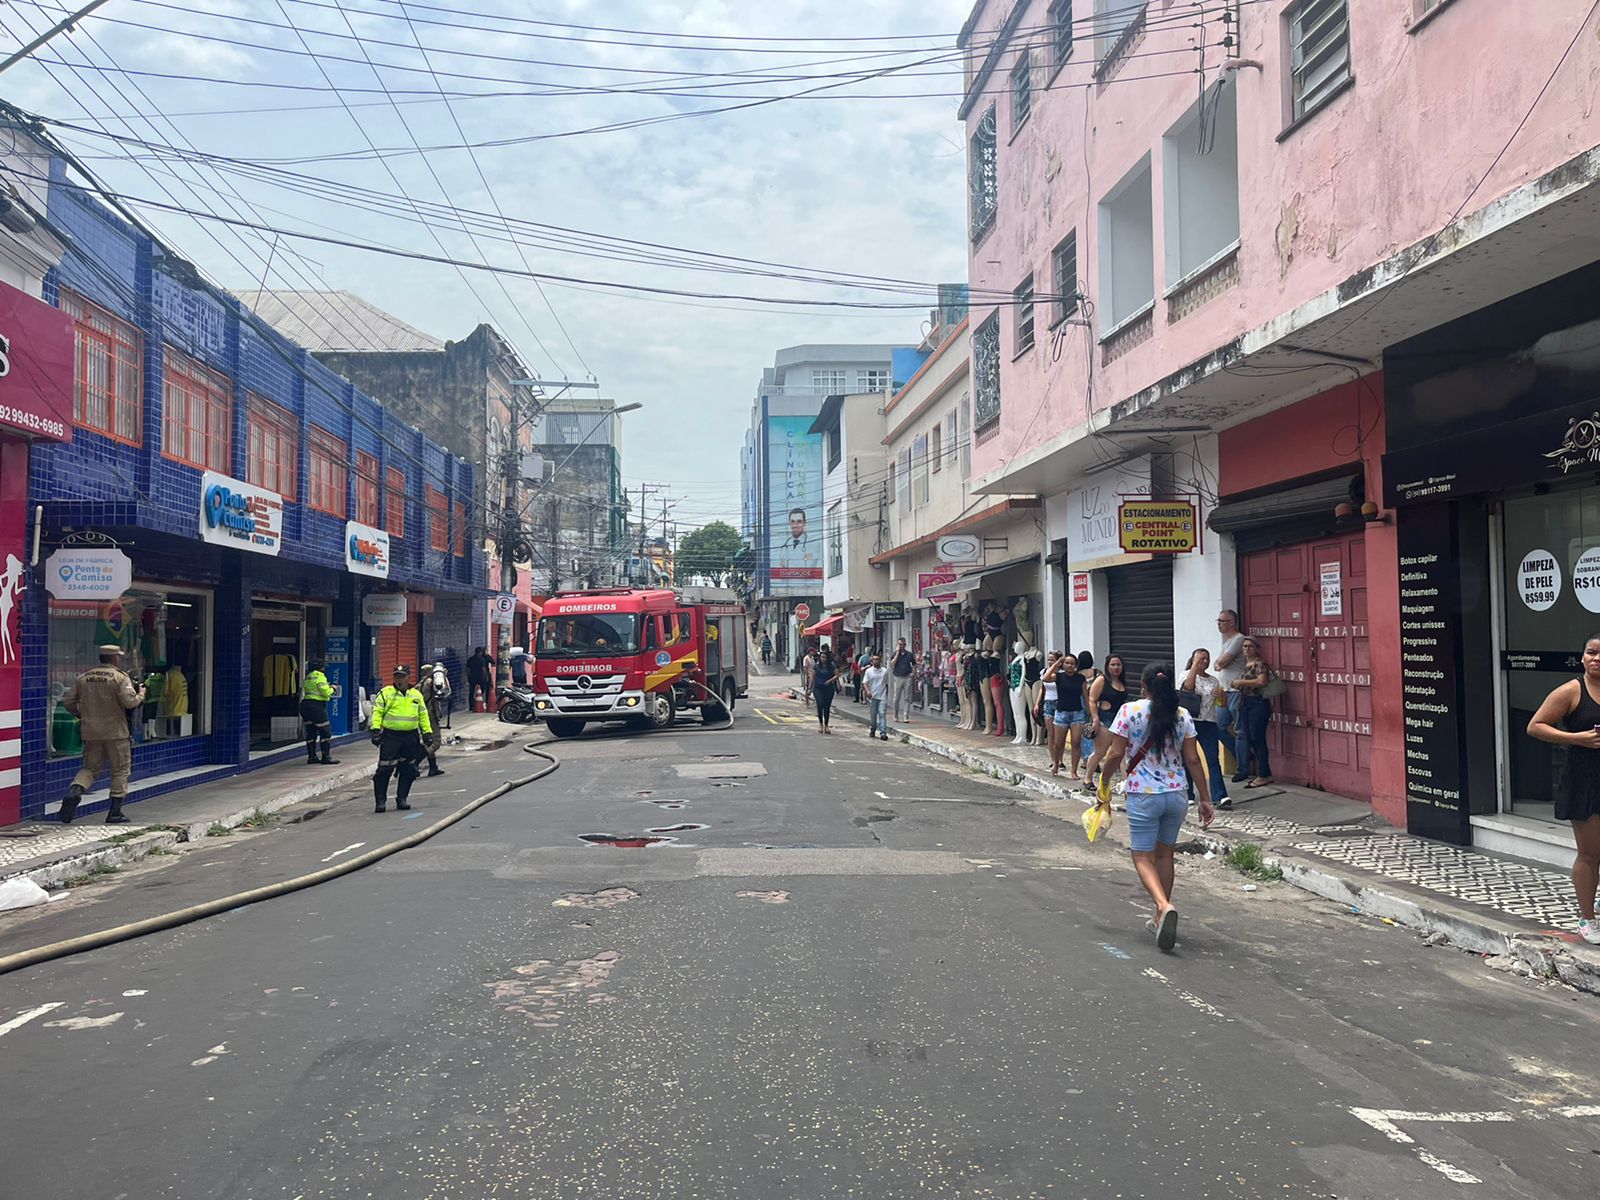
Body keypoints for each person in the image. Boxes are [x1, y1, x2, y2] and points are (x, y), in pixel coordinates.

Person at [1101, 662, 1216, 951]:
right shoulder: (1183, 716)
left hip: (1144, 794)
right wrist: (1205, 798)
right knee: (1165, 855)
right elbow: (1192, 760)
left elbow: (1115, 753)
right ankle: (1158, 916)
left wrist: (1103, 783)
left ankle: (1163, 907)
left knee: (1142, 857)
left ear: (1144, 686)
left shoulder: (1129, 711)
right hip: (1177, 794)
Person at [1529, 635, 1600, 945]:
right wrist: (1578, 739)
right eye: (1591, 652)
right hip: (1584, 781)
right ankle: (1588, 919)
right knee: (1590, 854)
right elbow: (1536, 726)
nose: (1596, 658)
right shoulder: (1572, 690)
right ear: (1582, 658)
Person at [58, 644, 145, 824]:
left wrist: (82, 715)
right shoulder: (120, 678)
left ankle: (75, 790)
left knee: (90, 768)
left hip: (91, 731)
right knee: (120, 769)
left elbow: (68, 701)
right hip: (116, 733)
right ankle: (115, 812)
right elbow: (130, 703)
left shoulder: (84, 677)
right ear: (115, 659)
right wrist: (141, 694)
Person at [370, 664, 433, 813]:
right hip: (391, 737)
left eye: (402, 677)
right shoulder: (386, 693)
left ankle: (402, 799)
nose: (399, 680)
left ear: (408, 677)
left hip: (410, 737)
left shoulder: (416, 695)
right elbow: (377, 712)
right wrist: (375, 730)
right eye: (396, 676)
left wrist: (427, 732)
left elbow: (423, 715)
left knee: (409, 769)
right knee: (384, 769)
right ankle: (380, 801)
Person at [1181, 648, 1229, 809]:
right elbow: (1188, 688)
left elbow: (1221, 704)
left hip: (1209, 722)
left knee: (1212, 759)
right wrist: (1194, 666)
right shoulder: (1185, 674)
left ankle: (1220, 795)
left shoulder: (1213, 680)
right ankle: (1188, 794)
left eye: (1207, 659)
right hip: (1190, 721)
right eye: (1201, 659)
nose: (1205, 662)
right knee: (1189, 758)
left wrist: (1221, 696)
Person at [1231, 637, 1275, 788]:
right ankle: (1265, 772)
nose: (1246, 649)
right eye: (1244, 646)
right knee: (1250, 737)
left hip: (1258, 702)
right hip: (1246, 703)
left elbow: (1262, 681)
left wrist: (1240, 682)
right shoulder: (1246, 664)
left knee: (1258, 739)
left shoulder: (1259, 663)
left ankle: (1262, 774)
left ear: (1256, 648)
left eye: (1250, 646)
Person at [1083, 654, 1130, 793]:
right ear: (1107, 666)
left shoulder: (1122, 682)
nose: (1116, 668)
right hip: (1105, 720)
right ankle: (1088, 778)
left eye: (1118, 665)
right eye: (1113, 665)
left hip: (1120, 720)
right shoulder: (1102, 680)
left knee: (1122, 753)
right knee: (1100, 752)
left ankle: (1125, 781)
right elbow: (1092, 700)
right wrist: (1095, 719)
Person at [1047, 652, 1089, 777]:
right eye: (1067, 663)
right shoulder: (1059, 677)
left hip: (1077, 713)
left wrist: (1090, 713)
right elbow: (1045, 678)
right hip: (1061, 713)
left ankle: (1074, 771)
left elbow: (1085, 696)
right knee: (1058, 743)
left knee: (1076, 742)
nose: (1069, 666)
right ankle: (1056, 763)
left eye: (1072, 664)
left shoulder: (1080, 678)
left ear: (1076, 665)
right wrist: (1056, 664)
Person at [300, 659, 340, 767]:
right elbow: (326, 692)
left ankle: (312, 757)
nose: (324, 668)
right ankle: (326, 757)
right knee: (326, 732)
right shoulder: (320, 676)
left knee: (311, 731)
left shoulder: (308, 676)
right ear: (320, 667)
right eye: (323, 667)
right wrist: (333, 688)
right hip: (316, 706)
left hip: (305, 705)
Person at [1213, 610, 1246, 739]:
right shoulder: (1227, 641)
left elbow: (1222, 662)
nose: (1219, 624)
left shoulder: (1239, 639)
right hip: (1223, 690)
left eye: (1222, 621)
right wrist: (1219, 664)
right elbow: (1216, 664)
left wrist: (1220, 664)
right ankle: (1237, 752)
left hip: (1235, 691)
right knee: (1219, 726)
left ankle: (1244, 758)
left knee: (1240, 730)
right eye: (1218, 621)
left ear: (1232, 622)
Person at [419, 662, 449, 778]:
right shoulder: (431, 683)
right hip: (429, 715)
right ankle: (415, 762)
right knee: (436, 742)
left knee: (428, 742)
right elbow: (446, 693)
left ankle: (433, 767)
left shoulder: (421, 683)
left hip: (422, 715)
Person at [863, 652, 890, 741]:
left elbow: (886, 684)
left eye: (877, 659)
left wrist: (886, 694)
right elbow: (865, 682)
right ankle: (873, 729)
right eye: (873, 660)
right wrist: (868, 692)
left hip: (882, 695)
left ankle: (883, 732)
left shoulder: (885, 671)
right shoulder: (869, 671)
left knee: (882, 713)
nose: (875, 661)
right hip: (872, 696)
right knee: (873, 715)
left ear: (880, 660)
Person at [812, 648, 838, 734]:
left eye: (825, 657)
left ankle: (826, 725)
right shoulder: (816, 666)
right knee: (820, 704)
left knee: (827, 707)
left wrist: (830, 681)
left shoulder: (831, 665)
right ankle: (820, 724)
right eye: (822, 657)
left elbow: (837, 675)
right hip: (818, 688)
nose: (823, 659)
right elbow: (813, 677)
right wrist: (809, 688)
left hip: (828, 688)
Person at [890, 637, 915, 723]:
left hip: (907, 677)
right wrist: (897, 653)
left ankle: (906, 716)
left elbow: (914, 663)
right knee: (896, 698)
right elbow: (892, 664)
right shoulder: (894, 654)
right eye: (900, 645)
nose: (902, 646)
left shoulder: (909, 654)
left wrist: (913, 673)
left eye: (903, 645)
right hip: (898, 677)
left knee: (907, 697)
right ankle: (895, 715)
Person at [467, 645, 495, 711]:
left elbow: (467, 669)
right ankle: (481, 703)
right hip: (481, 677)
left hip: (472, 677)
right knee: (483, 691)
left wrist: (468, 676)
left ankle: (471, 706)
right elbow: (484, 669)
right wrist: (486, 677)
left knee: (472, 691)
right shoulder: (482, 659)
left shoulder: (471, 659)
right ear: (481, 652)